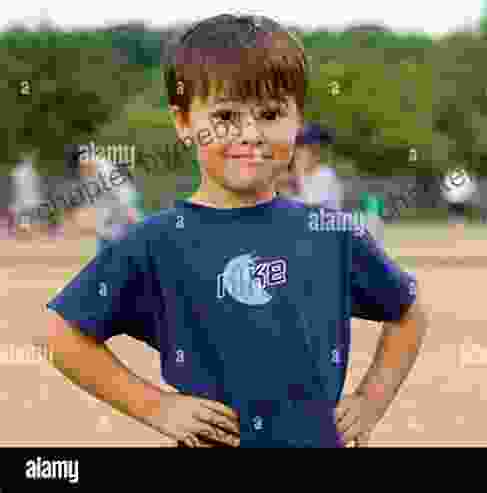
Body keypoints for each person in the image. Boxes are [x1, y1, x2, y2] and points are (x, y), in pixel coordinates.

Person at [44, 14, 427, 449]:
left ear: (298, 120)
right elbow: (62, 337)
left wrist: (369, 403)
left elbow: (409, 313)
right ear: (184, 122)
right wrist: (156, 406)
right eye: (225, 115)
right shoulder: (157, 241)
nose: (250, 134)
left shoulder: (331, 233)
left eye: (270, 114)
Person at [292, 123, 344, 209]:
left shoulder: (325, 175)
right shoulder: (300, 176)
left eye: (304, 148)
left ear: (316, 154)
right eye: (298, 146)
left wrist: (298, 174)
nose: (297, 153)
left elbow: (310, 205)